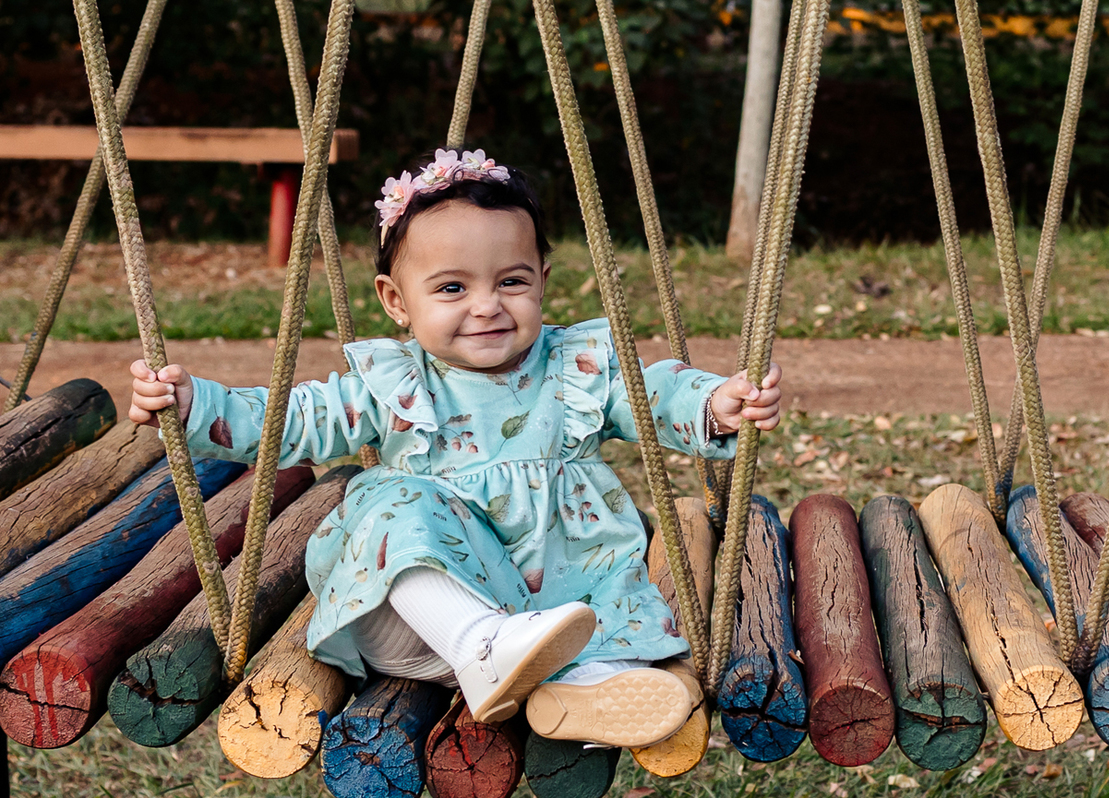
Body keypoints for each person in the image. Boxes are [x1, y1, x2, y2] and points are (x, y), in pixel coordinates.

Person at [129, 148, 783, 748]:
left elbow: (654, 393)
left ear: (543, 281)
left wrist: (712, 405)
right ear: (396, 301)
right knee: (395, 501)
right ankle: (481, 642)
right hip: (421, 625)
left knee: (603, 619)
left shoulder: (574, 369)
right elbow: (292, 420)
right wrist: (195, 408)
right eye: (451, 288)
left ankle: (580, 697)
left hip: (563, 616)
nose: (487, 306)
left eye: (512, 282)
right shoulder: (395, 384)